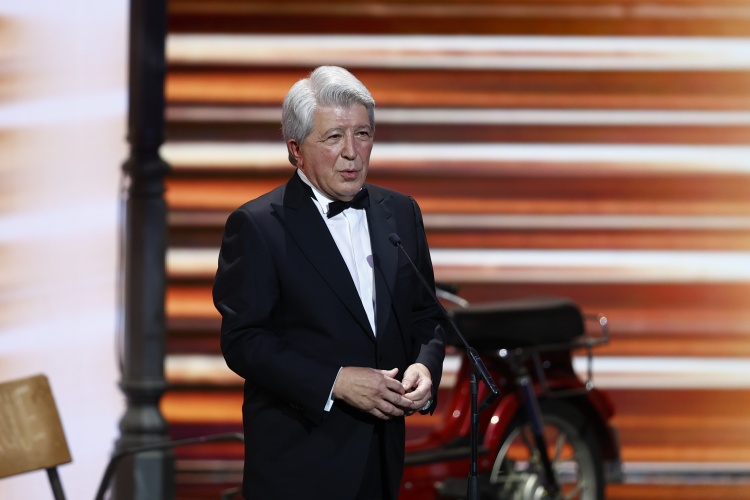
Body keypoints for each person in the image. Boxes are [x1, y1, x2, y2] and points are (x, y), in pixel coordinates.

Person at [213, 65, 446, 500]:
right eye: (334, 137)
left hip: (382, 459)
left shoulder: (401, 212)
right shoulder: (258, 226)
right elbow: (244, 340)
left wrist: (424, 367)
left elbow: (426, 315)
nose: (352, 152)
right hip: (301, 463)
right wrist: (335, 381)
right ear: (295, 150)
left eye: (363, 134)